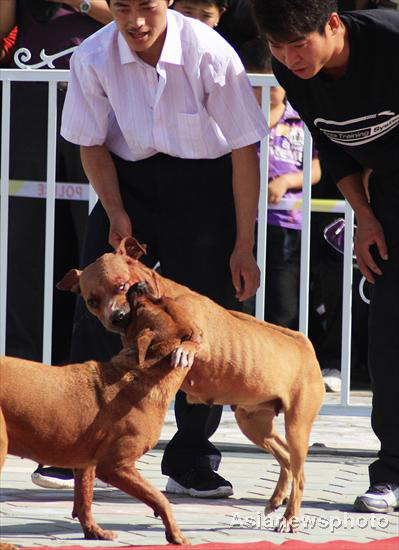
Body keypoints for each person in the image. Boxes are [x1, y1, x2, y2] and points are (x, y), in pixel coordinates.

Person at [59, 0, 267, 498]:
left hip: (206, 185)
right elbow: (90, 142)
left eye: (147, 7)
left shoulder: (209, 50)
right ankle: (74, 447)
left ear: (169, 1)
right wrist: (115, 212)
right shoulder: (91, 55)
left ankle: (192, 457)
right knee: (96, 307)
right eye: (123, 7)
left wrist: (244, 244)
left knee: (205, 321)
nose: (135, 21)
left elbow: (244, 149)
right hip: (127, 184)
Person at [252, 0, 399, 514]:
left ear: (332, 23)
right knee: (389, 339)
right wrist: (366, 217)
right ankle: (393, 473)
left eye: (299, 44)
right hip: (387, 193)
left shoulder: (389, 38)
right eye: (278, 47)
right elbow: (333, 148)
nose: (290, 58)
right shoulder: (290, 69)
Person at [0, 0, 113, 489]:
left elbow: (146, 18)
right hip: (26, 98)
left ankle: (84, 429)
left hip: (101, 94)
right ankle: (22, 408)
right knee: (26, 254)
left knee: (92, 256)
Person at [239, 38, 321, 331]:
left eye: (272, 86)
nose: (265, 94)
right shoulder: (241, 121)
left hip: (288, 222)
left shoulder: (301, 120)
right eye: (256, 85)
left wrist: (287, 181)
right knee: (243, 299)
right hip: (247, 221)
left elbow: (317, 169)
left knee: (284, 301)